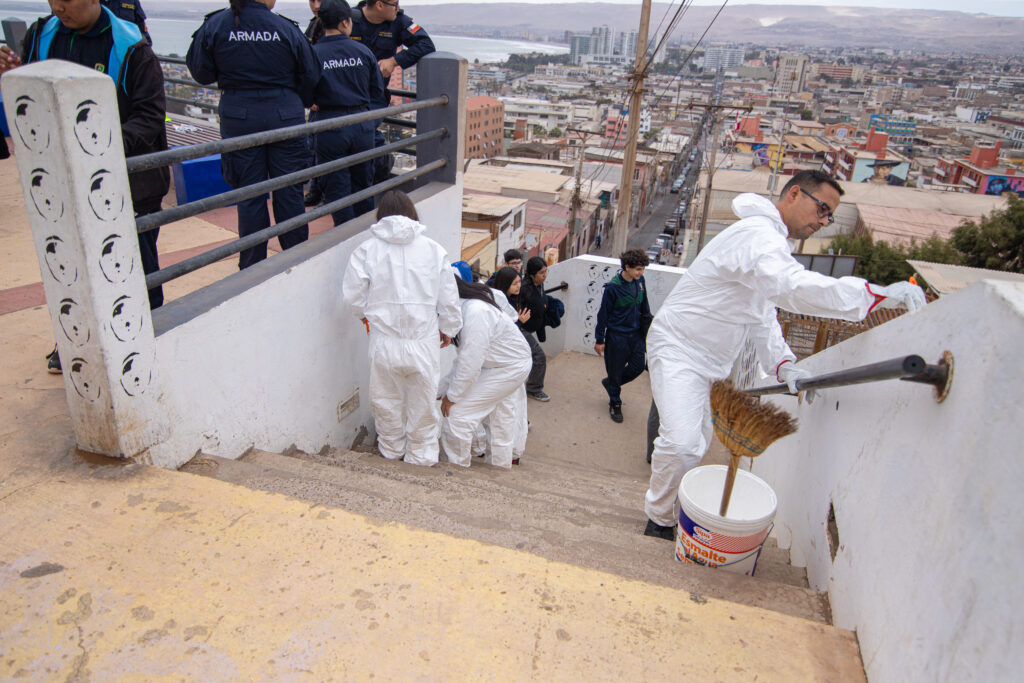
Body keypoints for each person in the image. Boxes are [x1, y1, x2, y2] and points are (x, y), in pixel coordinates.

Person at [642, 170, 927, 541]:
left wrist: (783, 364)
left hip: (712, 361)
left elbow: (762, 313)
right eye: (822, 209)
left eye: (830, 216)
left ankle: (671, 514)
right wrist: (874, 296)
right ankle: (659, 521)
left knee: (695, 444)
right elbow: (791, 287)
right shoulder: (758, 237)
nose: (823, 222)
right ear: (794, 194)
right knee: (681, 444)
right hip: (679, 347)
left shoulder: (769, 241)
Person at [1, 0, 169, 373]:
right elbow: (32, 99)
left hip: (128, 185)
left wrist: (91, 147)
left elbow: (149, 117)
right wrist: (14, 78)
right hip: (62, 184)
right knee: (72, 266)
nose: (59, 6)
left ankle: (148, 341)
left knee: (135, 266)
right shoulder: (42, 36)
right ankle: (77, 342)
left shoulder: (131, 47)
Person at [186, 0, 321, 270]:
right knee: (290, 192)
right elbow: (311, 73)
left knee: (250, 195)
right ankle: (298, 261)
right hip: (284, 115)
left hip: (240, 116)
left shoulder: (216, 24)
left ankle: (251, 268)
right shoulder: (285, 27)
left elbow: (200, 72)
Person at [342, 190, 462, 466]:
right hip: (423, 340)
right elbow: (448, 297)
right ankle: (421, 457)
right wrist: (449, 328)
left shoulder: (366, 250)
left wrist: (365, 318)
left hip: (384, 341)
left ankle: (391, 451)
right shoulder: (433, 250)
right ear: (412, 213)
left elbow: (352, 297)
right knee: (423, 403)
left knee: (386, 400)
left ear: (381, 216)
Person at [439, 276, 531, 469]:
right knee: (500, 420)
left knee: (457, 415)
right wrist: (441, 389)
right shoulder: (468, 308)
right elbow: (464, 361)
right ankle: (499, 469)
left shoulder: (475, 312)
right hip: (503, 364)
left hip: (508, 368)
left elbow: (470, 362)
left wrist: (452, 396)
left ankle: (455, 470)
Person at [311, 0, 384, 225]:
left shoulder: (313, 53)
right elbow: (377, 93)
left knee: (336, 189)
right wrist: (369, 123)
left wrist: (314, 102)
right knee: (363, 186)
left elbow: (303, 91)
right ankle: (364, 234)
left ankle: (344, 235)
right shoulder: (363, 52)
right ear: (345, 23)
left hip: (329, 125)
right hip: (361, 124)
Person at [350, 0, 435, 182]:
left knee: (363, 134)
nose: (398, 8)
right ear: (379, 5)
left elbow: (426, 44)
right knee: (352, 138)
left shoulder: (398, 21)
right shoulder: (350, 18)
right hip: (348, 94)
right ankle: (380, 165)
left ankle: (379, 168)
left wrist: (394, 61)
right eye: (394, 4)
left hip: (374, 96)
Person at [594, 248, 652, 424]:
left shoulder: (640, 281)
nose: (641, 273)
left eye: (642, 269)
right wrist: (599, 339)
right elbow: (603, 315)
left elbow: (645, 307)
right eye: (638, 269)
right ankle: (615, 403)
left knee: (638, 367)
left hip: (636, 335)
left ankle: (611, 383)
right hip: (617, 337)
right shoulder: (613, 288)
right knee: (615, 370)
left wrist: (648, 329)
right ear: (627, 267)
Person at [492, 266, 532, 465]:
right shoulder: (499, 301)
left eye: (519, 282)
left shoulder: (506, 300)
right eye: (515, 283)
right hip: (506, 364)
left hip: (508, 364)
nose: (518, 286)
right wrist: (519, 322)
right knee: (508, 412)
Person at [518, 256, 550, 402]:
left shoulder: (539, 284)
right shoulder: (524, 289)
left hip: (530, 328)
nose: (545, 275)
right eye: (541, 273)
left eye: (546, 271)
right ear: (532, 275)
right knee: (539, 356)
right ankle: (534, 388)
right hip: (520, 329)